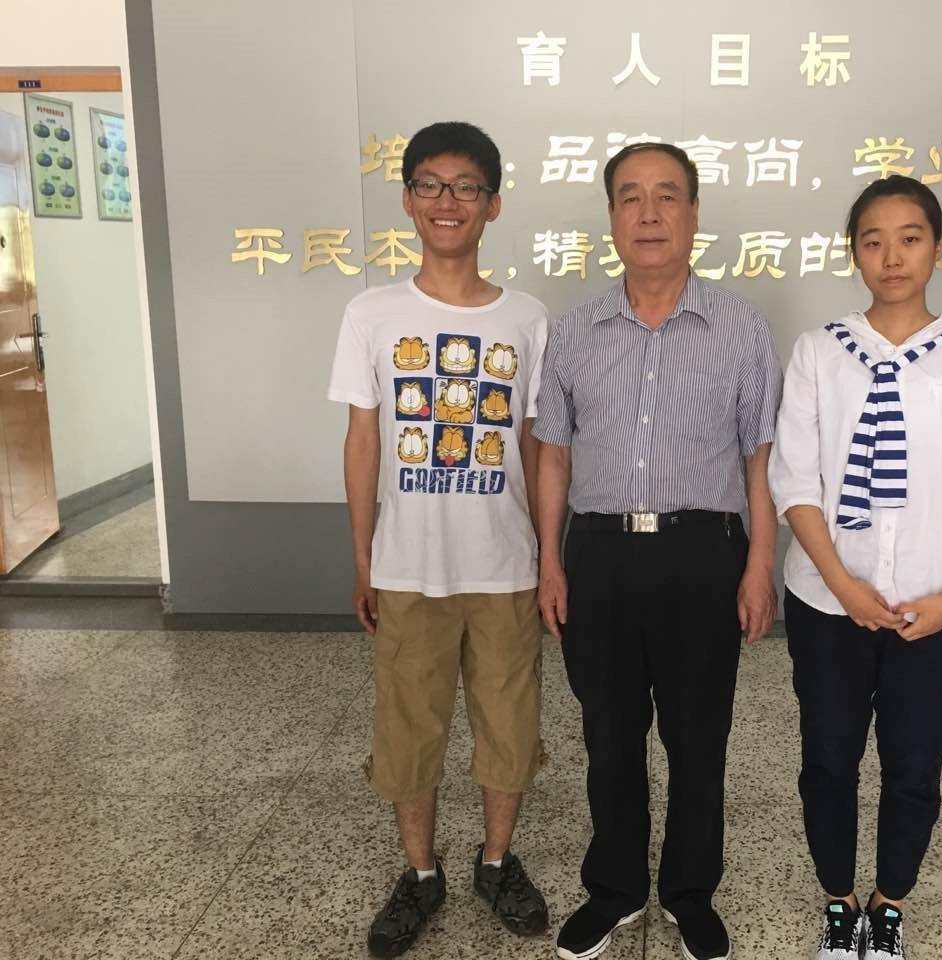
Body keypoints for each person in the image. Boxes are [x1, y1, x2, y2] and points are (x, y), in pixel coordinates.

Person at [534, 142, 783, 960]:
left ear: (694, 213)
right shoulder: (574, 330)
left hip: (703, 555)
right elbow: (554, 456)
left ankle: (689, 892)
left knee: (698, 737)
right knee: (609, 736)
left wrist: (759, 565)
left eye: (667, 196)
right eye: (631, 197)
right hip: (599, 556)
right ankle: (613, 890)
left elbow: (760, 459)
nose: (649, 214)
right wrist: (549, 562)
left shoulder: (741, 327)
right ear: (611, 216)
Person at [768, 175, 942, 960]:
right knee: (827, 760)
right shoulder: (820, 351)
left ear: (937, 248)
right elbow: (795, 482)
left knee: (914, 764)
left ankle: (890, 903)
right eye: (872, 241)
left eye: (910, 238)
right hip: (827, 604)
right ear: (855, 254)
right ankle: (839, 901)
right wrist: (843, 586)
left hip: (934, 610)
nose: (892, 256)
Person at [327, 120, 550, 958]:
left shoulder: (528, 318)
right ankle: (421, 874)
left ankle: (496, 861)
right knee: (408, 729)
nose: (446, 201)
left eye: (465, 186)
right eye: (429, 184)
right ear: (408, 199)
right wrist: (364, 557)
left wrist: (550, 557)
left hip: (505, 564)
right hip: (408, 564)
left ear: (493, 203)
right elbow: (362, 440)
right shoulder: (372, 312)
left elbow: (538, 448)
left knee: (509, 727)